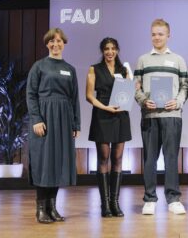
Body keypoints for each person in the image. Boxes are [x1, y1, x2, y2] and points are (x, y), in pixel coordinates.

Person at [134, 18, 188, 215]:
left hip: (172, 115)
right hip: (150, 115)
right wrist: (142, 100)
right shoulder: (142, 60)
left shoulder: (178, 60)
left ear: (168, 35)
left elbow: (185, 87)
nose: (157, 37)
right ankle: (150, 199)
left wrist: (178, 102)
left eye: (160, 34)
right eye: (154, 34)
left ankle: (173, 199)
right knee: (150, 159)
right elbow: (136, 87)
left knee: (171, 157)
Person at [26, 28, 80, 224]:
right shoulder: (39, 66)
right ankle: (40, 209)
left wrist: (76, 123)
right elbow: (31, 95)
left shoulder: (70, 69)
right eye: (52, 41)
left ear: (64, 43)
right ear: (47, 44)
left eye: (59, 41)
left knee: (57, 163)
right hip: (44, 117)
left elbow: (74, 99)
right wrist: (36, 120)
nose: (55, 44)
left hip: (64, 119)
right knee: (44, 162)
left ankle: (52, 207)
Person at [86, 37, 132, 218]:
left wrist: (131, 90)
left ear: (118, 50)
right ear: (102, 51)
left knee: (118, 157)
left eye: (113, 48)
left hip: (121, 115)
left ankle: (115, 203)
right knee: (103, 158)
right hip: (103, 114)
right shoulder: (94, 69)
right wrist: (105, 107)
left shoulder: (124, 70)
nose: (110, 52)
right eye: (106, 49)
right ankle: (104, 204)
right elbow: (89, 96)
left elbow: (128, 93)